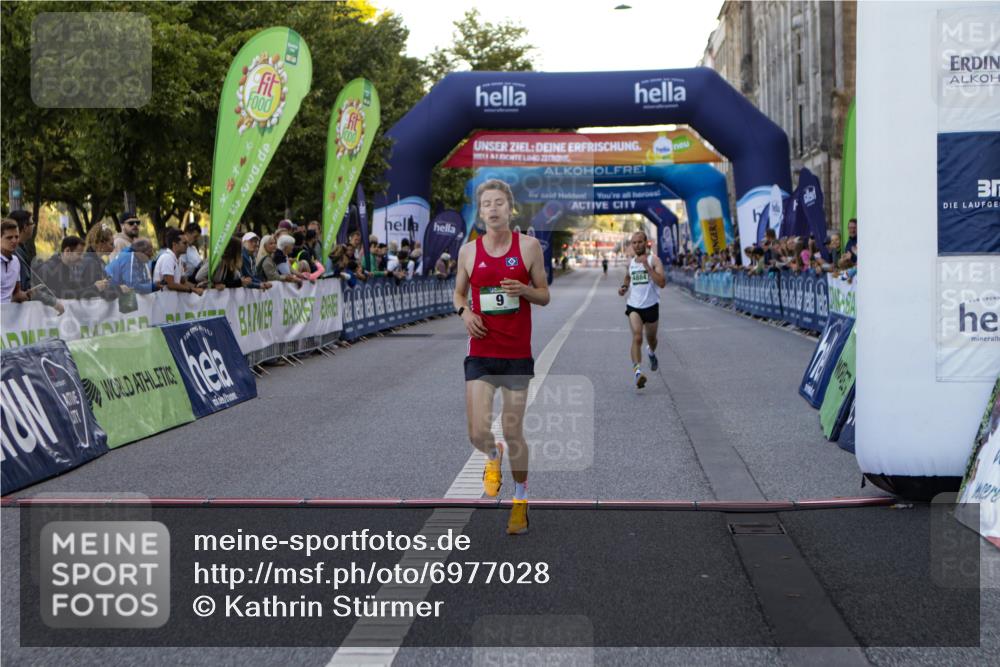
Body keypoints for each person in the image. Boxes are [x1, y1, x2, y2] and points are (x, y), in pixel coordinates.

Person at [453, 179, 549, 536]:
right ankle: (492, 455)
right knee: (478, 432)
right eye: (486, 204)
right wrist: (465, 314)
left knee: (513, 430)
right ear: (480, 213)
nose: (492, 209)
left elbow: (544, 295)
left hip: (515, 355)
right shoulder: (468, 252)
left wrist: (525, 290)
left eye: (498, 203)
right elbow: (458, 295)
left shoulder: (529, 247)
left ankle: (520, 499)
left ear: (509, 208)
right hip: (480, 352)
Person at [618, 230, 666, 389]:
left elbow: (662, 283)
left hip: (651, 306)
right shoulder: (631, 262)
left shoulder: (654, 260)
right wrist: (624, 287)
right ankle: (638, 373)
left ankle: (651, 353)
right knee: (637, 337)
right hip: (634, 306)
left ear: (646, 243)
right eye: (634, 243)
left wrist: (648, 268)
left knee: (651, 340)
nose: (637, 245)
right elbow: (628, 276)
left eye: (639, 242)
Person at [1, 219, 63, 314]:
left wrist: (29, 294)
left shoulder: (16, 261)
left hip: (7, 318)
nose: (14, 240)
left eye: (16, 237)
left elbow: (16, 294)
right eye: (9, 238)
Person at [154, 227, 204, 295]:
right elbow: (171, 285)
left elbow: (182, 281)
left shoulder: (179, 259)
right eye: (184, 243)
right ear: (174, 244)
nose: (187, 245)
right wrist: (193, 290)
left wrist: (197, 286)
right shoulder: (167, 258)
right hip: (163, 301)